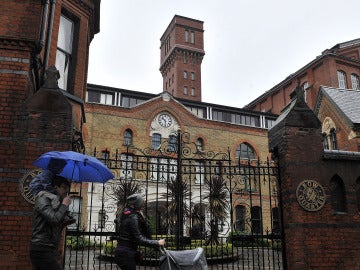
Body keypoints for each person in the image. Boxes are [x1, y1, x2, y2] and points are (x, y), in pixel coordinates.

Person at [29, 175, 75, 270]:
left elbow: (54, 222)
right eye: (63, 187)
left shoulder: (56, 203)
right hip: (41, 249)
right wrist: (64, 205)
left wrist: (65, 221)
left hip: (49, 248)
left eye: (67, 187)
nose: (66, 190)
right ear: (55, 187)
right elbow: (54, 219)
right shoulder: (43, 199)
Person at [114, 193, 165, 270]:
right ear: (138, 204)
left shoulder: (126, 214)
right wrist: (157, 242)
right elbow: (139, 238)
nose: (142, 207)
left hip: (123, 252)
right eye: (141, 205)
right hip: (126, 253)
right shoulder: (133, 217)